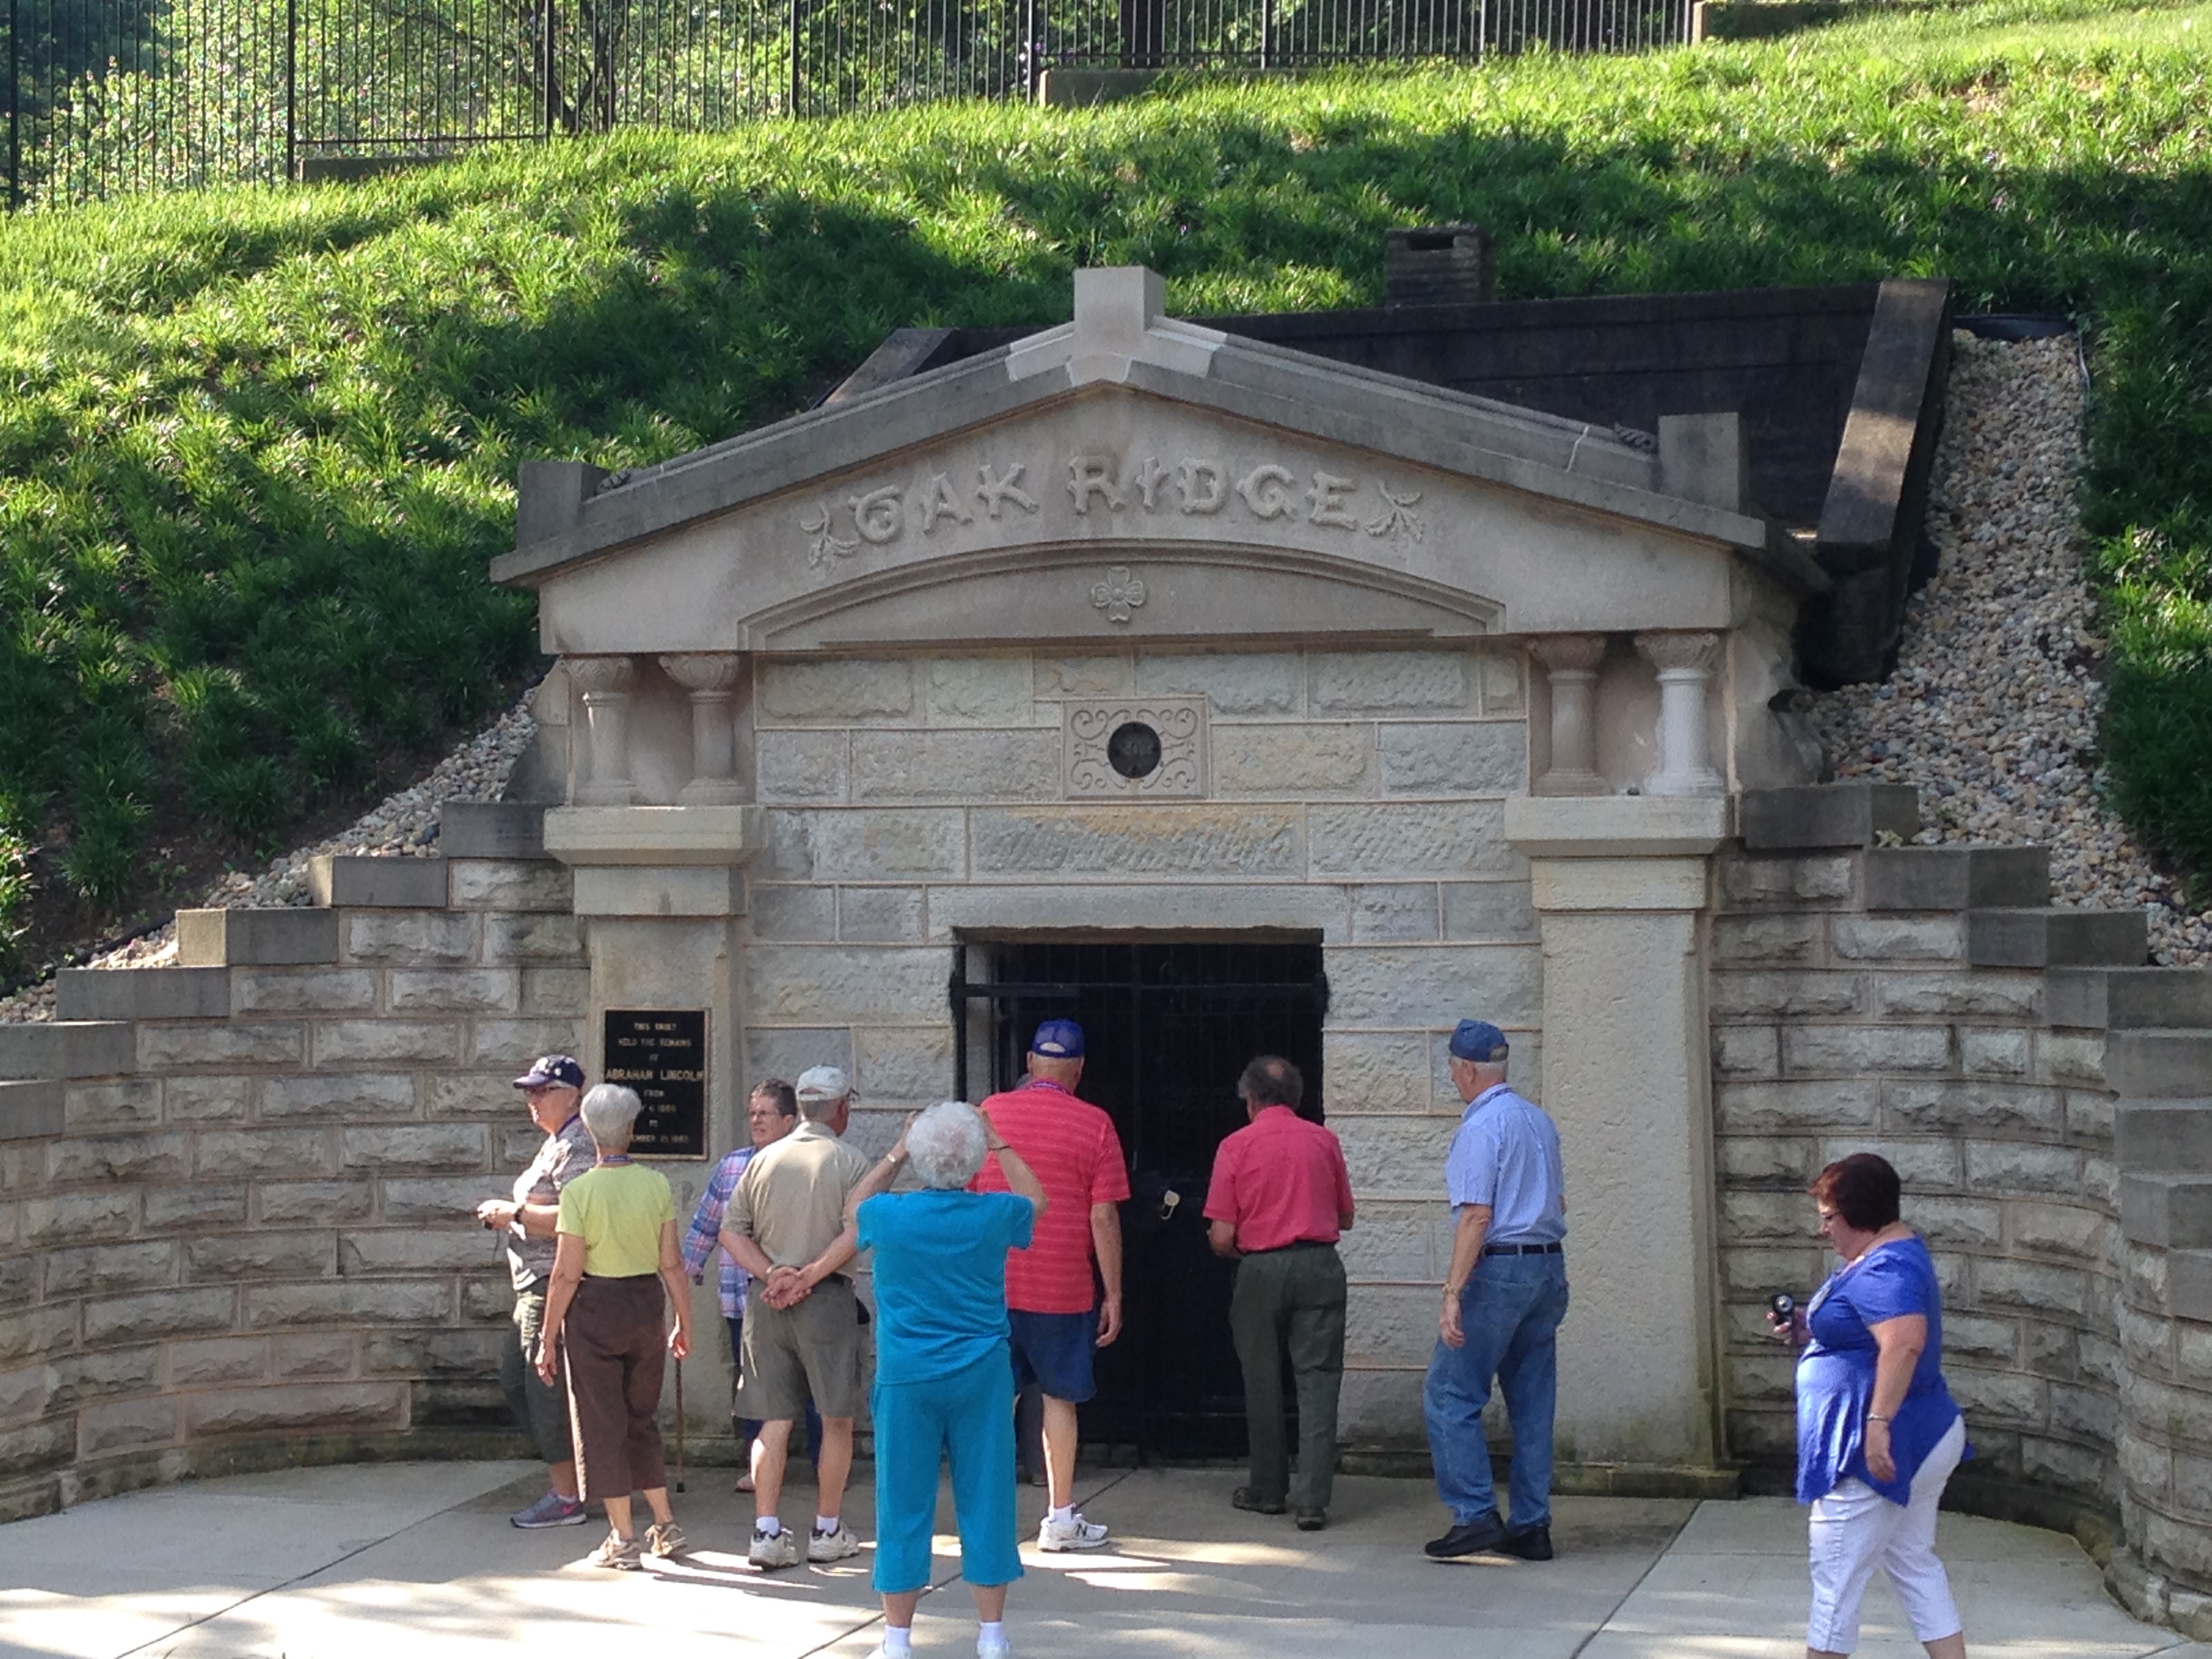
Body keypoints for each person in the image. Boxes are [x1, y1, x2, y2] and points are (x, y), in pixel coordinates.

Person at [847, 1103, 1048, 1659]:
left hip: (907, 1373)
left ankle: (897, 1639)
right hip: (980, 1371)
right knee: (987, 1498)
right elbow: (1038, 1201)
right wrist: (999, 1141)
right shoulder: (994, 1213)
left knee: (901, 1504)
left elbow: (852, 1205)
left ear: (921, 1157)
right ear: (974, 1161)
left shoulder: (890, 1215)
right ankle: (992, 1634)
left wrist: (897, 1150)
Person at [1770, 1153, 1969, 1659]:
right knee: (1913, 1562)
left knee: (1835, 1579)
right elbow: (1867, 1328)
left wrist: (1878, 1425)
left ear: (1857, 1214)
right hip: (1923, 1433)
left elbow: (1904, 1342)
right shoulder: (1887, 1252)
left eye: (1828, 1217)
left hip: (1876, 1450)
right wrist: (1811, 1329)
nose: (1823, 1229)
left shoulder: (1887, 1268)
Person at [973, 1018, 1130, 1552]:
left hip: (994, 1286)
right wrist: (1114, 1293)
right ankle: (1060, 1517)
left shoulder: (990, 1114)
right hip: (1063, 1288)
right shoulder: (1096, 1124)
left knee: (994, 1401)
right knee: (1060, 1400)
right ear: (1079, 1070)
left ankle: (984, 1515)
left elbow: (967, 1196)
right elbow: (1103, 1216)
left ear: (1029, 1063)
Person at [1422, 1019, 1568, 1563]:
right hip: (1547, 1266)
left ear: (1465, 1070)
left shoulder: (1481, 1128)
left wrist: (1453, 1291)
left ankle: (1475, 1514)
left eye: (1452, 1069)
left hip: (1500, 1269)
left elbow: (1477, 1216)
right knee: (1532, 1401)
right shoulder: (1538, 1120)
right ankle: (1532, 1525)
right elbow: (1559, 1202)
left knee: (1449, 1393)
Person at [717, 1063, 873, 1570]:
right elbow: (856, 1231)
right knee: (836, 1419)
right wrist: (809, 1276)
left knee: (773, 1420)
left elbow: (731, 1232)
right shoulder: (850, 1161)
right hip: (826, 1300)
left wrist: (772, 1274)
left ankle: (765, 1531)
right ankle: (827, 1528)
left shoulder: (762, 1160)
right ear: (841, 1108)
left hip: (767, 1301)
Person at [533, 1084, 693, 1570]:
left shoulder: (579, 1192)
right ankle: (665, 1524)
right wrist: (684, 1320)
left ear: (589, 1129)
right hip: (645, 1306)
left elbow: (566, 1274)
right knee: (641, 1418)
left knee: (602, 1424)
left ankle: (623, 1538)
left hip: (595, 1311)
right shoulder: (657, 1185)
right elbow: (672, 1264)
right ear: (632, 1129)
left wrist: (547, 1338)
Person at [1204, 1055, 1355, 1532]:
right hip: (1320, 1264)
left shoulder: (1236, 1146)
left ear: (1251, 1100)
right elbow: (1346, 1217)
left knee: (1262, 1378)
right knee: (1319, 1380)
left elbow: (1222, 1235)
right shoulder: (1324, 1141)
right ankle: (1313, 1500)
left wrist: (1242, 1248)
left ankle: (1268, 1489)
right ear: (1296, 1097)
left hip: (1261, 1268)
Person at [680, 1077, 822, 1491]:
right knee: (753, 1383)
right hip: (742, 1298)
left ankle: (824, 1464)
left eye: (765, 1113)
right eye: (752, 1114)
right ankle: (757, 1465)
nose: (756, 1121)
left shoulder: (809, 1164)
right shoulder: (732, 1167)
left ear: (790, 1120)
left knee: (813, 1382)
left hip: (801, 1293)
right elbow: (707, 1223)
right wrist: (684, 1272)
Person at [475, 1053, 592, 1530]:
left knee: (543, 1391)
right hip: (534, 1284)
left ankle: (567, 1496)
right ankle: (575, 1481)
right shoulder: (556, 1142)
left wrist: (515, 1215)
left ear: (573, 1096)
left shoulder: (578, 1145)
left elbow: (577, 1217)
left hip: (552, 1285)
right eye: (530, 1091)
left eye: (543, 1091)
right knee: (518, 1381)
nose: (533, 1100)